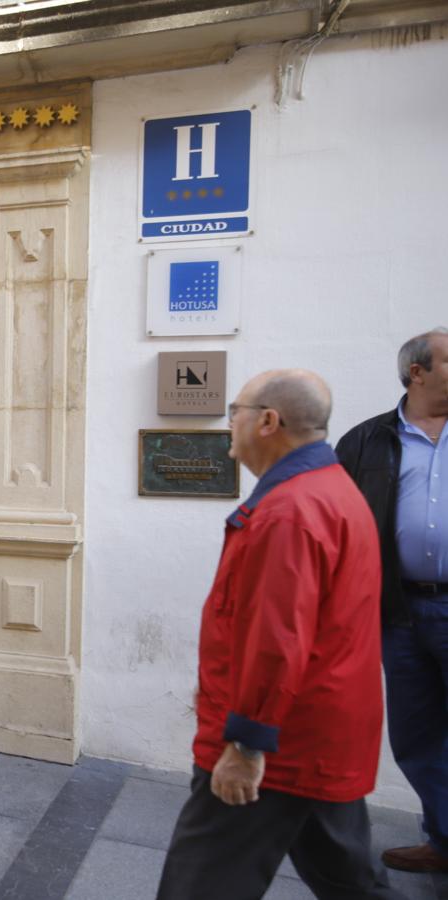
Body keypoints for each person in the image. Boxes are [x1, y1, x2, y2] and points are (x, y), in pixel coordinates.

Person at [157, 369, 401, 899]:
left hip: (280, 742)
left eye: (236, 412)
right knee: (350, 880)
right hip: (318, 732)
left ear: (268, 421)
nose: (230, 426)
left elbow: (276, 639)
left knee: (199, 883)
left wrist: (247, 743)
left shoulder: (290, 511)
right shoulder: (326, 489)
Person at [336, 327, 448, 874]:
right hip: (398, 610)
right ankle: (444, 839)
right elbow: (339, 526)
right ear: (418, 372)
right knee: (416, 731)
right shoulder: (366, 441)